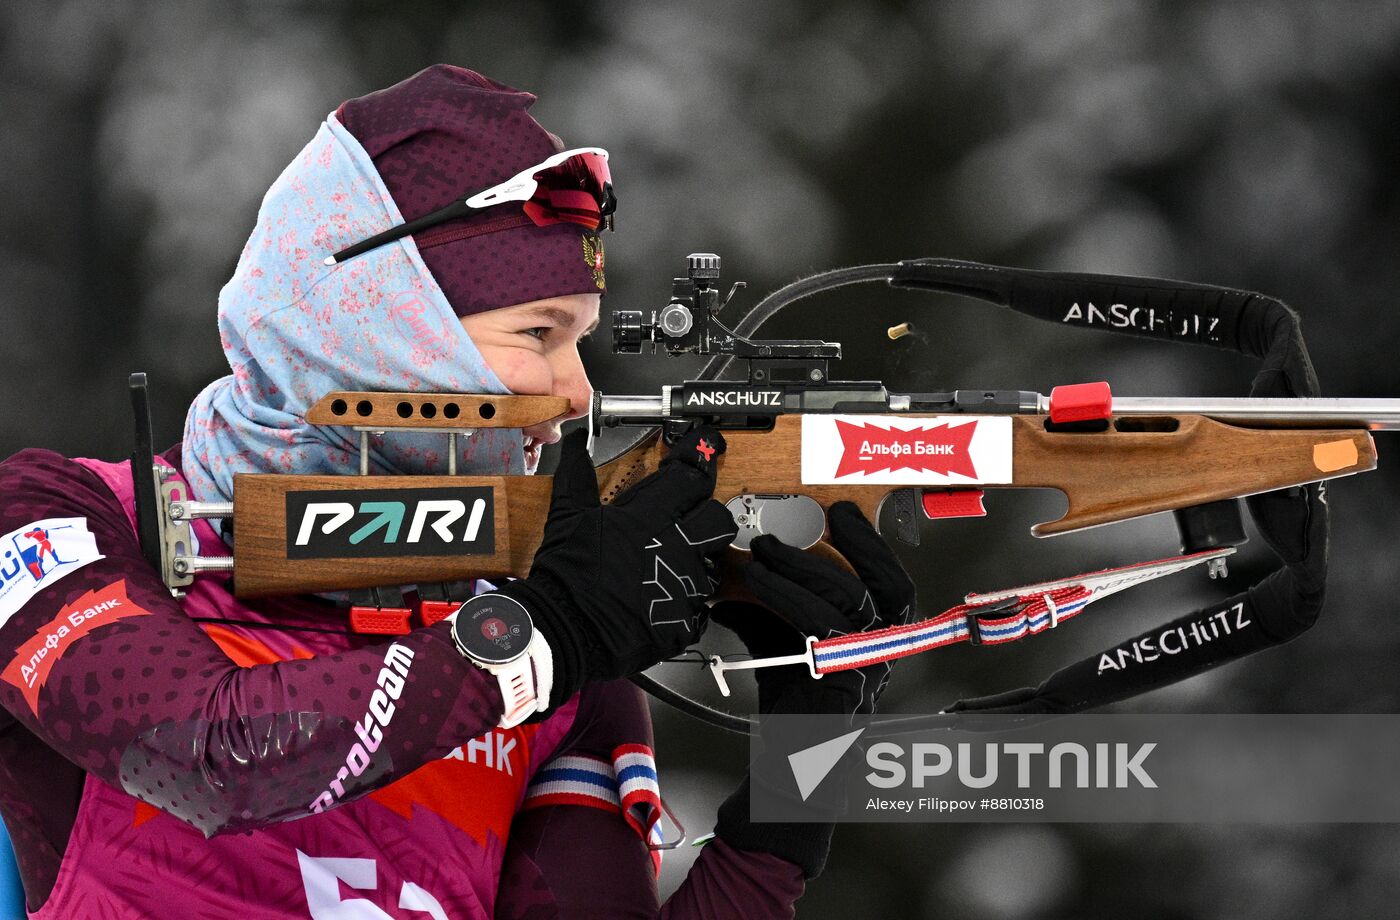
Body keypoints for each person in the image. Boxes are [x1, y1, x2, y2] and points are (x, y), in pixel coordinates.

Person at [0, 65, 913, 918]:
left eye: (582, 339)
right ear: (386, 333)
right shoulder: (62, 517)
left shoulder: (545, 637)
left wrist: (806, 770)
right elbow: (202, 757)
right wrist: (542, 637)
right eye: (539, 332)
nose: (578, 393)